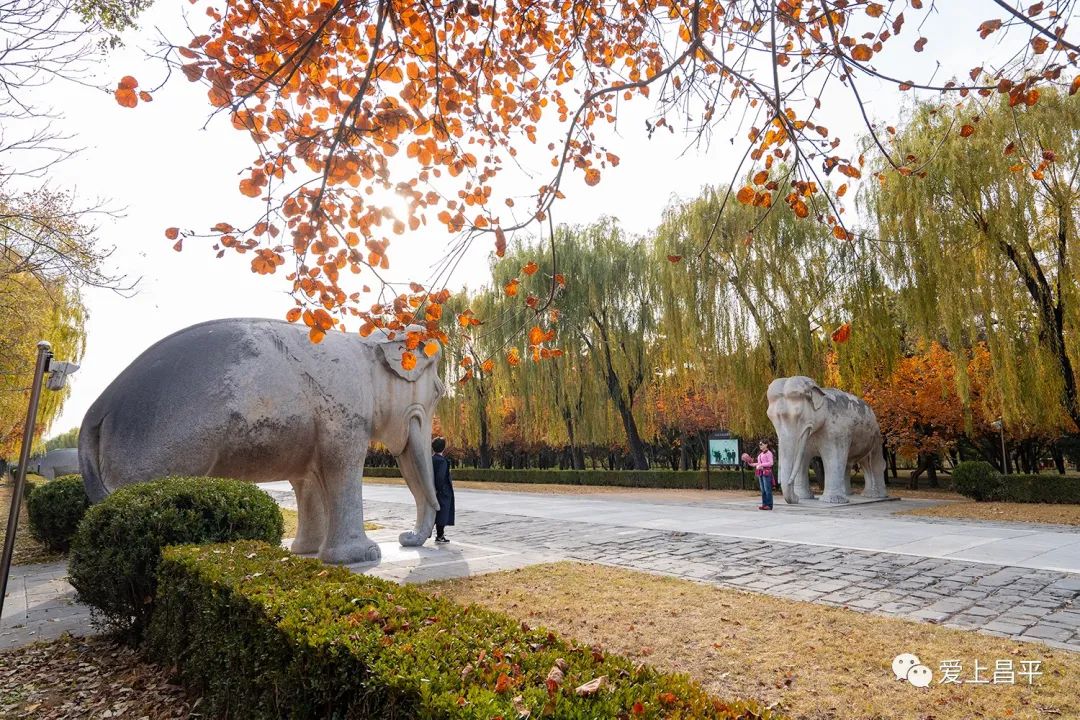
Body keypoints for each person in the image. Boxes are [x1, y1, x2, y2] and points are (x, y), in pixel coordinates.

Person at [431, 437, 455, 543]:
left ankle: (439, 535)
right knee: (443, 513)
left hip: (434, 490)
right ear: (443, 448)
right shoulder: (442, 461)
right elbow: (440, 478)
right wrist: (441, 489)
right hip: (443, 491)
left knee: (437, 513)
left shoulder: (431, 459)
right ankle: (440, 536)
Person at [749, 441, 774, 510]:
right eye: (759, 444)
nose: (760, 445)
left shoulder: (769, 453)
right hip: (761, 472)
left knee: (767, 489)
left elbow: (771, 463)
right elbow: (759, 463)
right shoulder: (761, 454)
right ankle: (764, 504)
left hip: (766, 472)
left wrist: (761, 465)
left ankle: (769, 505)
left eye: (762, 444)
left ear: (766, 445)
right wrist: (752, 464)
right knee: (763, 490)